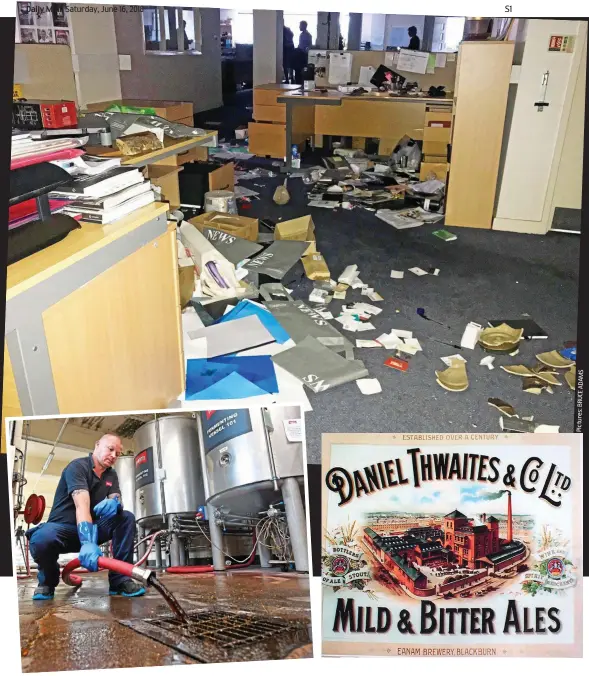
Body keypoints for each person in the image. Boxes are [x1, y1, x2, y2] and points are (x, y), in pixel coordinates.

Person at [26, 433, 145, 600]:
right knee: (41, 538)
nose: (113, 456)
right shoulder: (78, 467)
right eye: (110, 449)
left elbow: (116, 498)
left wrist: (116, 503)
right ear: (97, 445)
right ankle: (47, 582)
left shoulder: (111, 475)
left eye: (117, 454)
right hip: (62, 530)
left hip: (93, 528)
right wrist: (88, 542)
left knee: (125, 518)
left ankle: (120, 580)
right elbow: (81, 506)